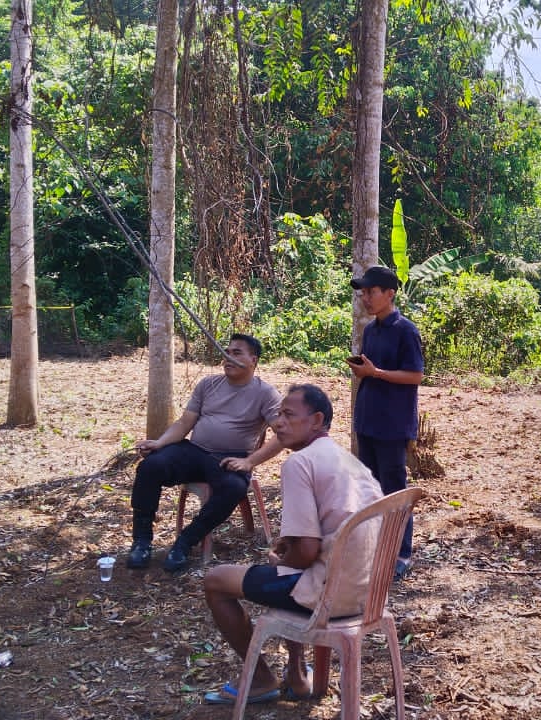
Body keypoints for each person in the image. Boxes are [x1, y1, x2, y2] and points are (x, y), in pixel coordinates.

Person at [201, 384, 383, 706]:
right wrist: (288, 558)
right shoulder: (351, 463)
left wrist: (280, 561)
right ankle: (297, 675)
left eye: (288, 415)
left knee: (217, 581)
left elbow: (307, 552)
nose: (278, 423)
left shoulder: (299, 463)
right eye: (278, 415)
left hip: (329, 595)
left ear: (316, 420)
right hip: (367, 593)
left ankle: (261, 679)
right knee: (286, 573)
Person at [128, 333, 284, 572]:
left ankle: (185, 542)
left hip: (229, 458)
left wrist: (249, 461)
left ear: (253, 360)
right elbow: (184, 423)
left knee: (233, 487)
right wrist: (159, 443)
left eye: (236, 353)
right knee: (151, 466)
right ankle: (141, 541)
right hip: (194, 451)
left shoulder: (266, 393)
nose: (227, 357)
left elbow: (282, 435)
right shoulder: (208, 384)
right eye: (226, 352)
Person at [347, 265, 424, 580]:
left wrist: (375, 373)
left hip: (392, 424)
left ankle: (401, 553)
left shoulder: (406, 330)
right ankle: (376, 546)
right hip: (368, 420)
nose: (366, 298)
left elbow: (416, 375)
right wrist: (364, 371)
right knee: (370, 487)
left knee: (394, 490)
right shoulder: (370, 330)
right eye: (363, 293)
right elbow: (371, 369)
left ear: (389, 294)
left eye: (371, 292)